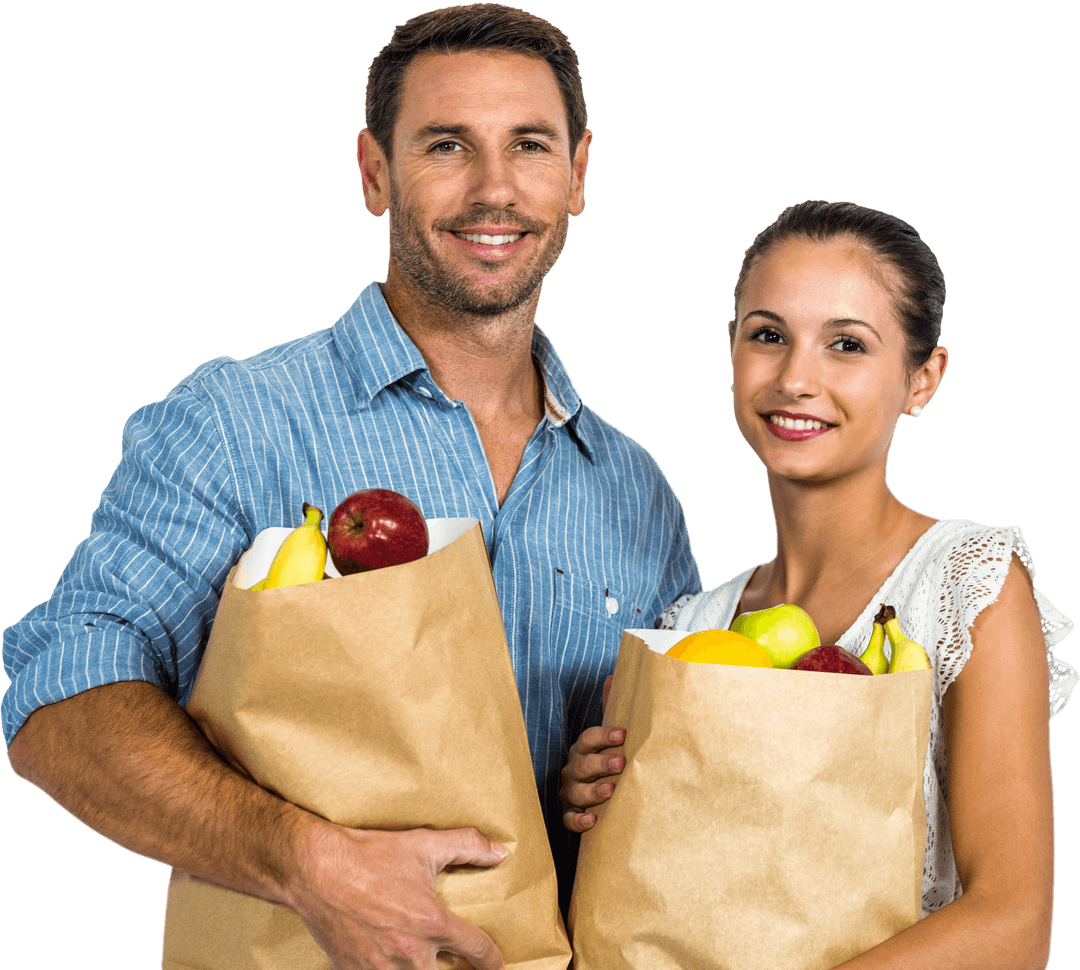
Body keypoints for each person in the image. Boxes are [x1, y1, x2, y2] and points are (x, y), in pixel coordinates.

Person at [2, 5, 700, 968]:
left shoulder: (637, 492)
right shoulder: (240, 423)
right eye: (447, 145)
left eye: (529, 146)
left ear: (577, 175)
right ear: (375, 173)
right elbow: (56, 697)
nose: (494, 190)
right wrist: (303, 861)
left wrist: (601, 785)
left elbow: (652, 809)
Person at [561, 200, 1075, 968]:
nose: (797, 378)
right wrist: (590, 802)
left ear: (921, 378)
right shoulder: (694, 622)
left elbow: (1013, 924)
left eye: (846, 345)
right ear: (730, 350)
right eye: (769, 336)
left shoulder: (966, 586)